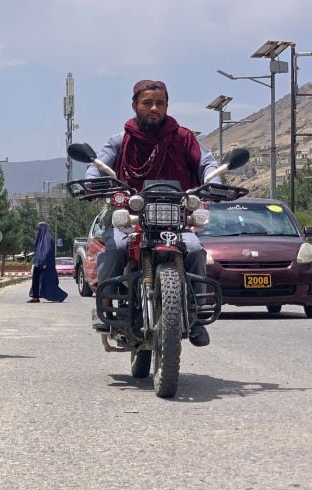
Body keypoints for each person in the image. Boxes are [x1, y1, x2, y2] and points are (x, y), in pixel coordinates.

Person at [85, 79, 218, 347]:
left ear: (167, 106)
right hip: (131, 218)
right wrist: (94, 182)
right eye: (147, 103)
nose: (154, 108)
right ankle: (110, 310)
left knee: (194, 250)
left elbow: (207, 163)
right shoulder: (121, 139)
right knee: (114, 250)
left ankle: (196, 315)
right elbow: (98, 166)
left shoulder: (184, 137)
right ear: (135, 105)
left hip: (176, 220)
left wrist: (213, 180)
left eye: (160, 103)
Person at [27, 222, 68, 303]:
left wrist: (45, 262)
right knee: (35, 280)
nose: (37, 231)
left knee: (48, 281)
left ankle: (60, 296)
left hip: (45, 264)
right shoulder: (40, 239)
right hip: (38, 263)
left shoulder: (47, 238)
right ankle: (35, 297)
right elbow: (37, 251)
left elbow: (48, 251)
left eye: (39, 228)